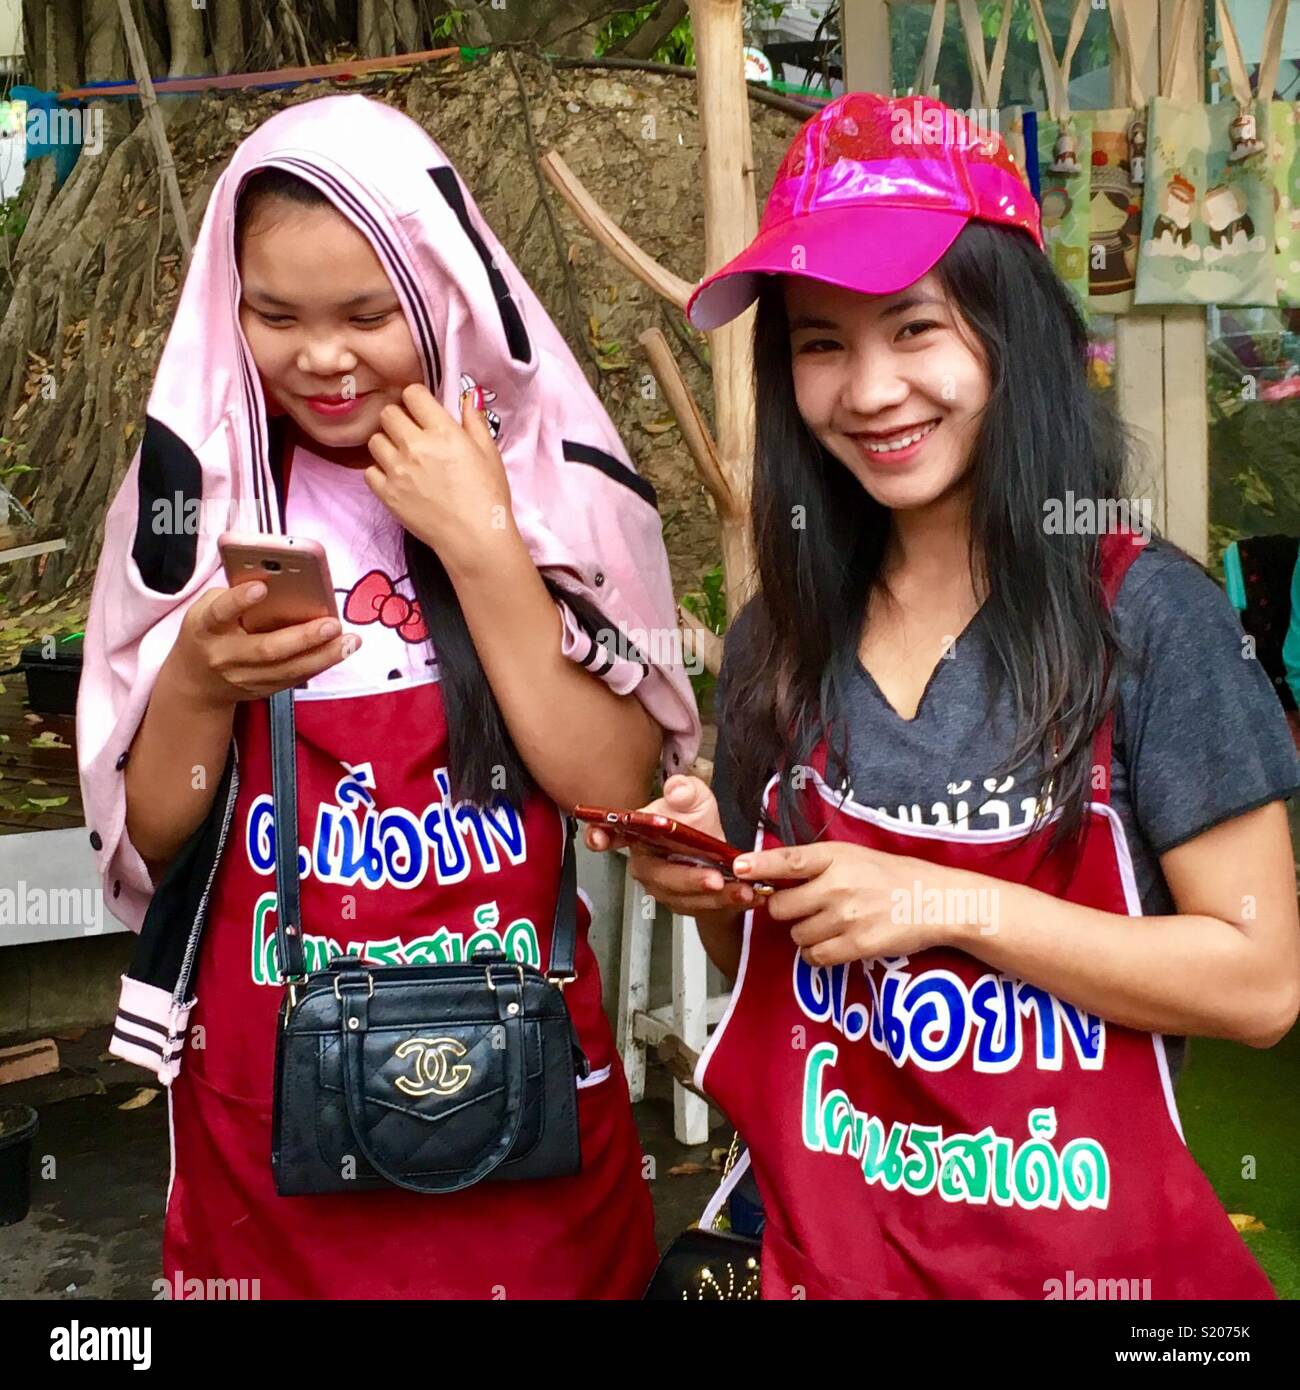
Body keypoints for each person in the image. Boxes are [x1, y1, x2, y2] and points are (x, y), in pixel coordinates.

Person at [587, 92, 1300, 1300]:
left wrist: (935, 897)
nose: (867, 392)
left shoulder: (1149, 619)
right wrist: (720, 881)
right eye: (820, 343)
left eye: (915, 329)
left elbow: (1259, 984)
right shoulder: (782, 636)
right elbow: (774, 962)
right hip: (835, 1255)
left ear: (1008, 334)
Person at [77, 94, 700, 1299]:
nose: (324, 356)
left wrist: (484, 551)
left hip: (524, 1107)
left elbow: (614, 789)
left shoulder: (546, 486)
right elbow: (155, 835)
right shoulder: (190, 508)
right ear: (226, 308)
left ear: (442, 294)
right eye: (275, 315)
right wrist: (202, 677)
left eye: (368, 314)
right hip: (276, 1118)